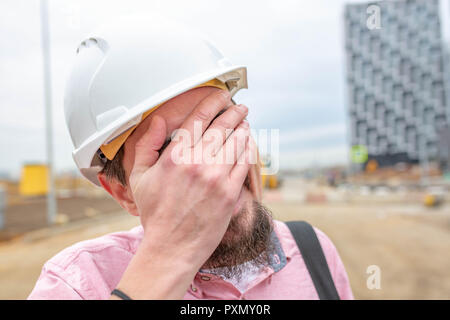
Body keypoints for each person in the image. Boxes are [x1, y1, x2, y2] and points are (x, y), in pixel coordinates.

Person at [28, 15, 353, 300]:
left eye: (223, 128)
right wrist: (167, 257)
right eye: (172, 152)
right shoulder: (77, 284)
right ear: (122, 192)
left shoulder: (314, 254)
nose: (213, 168)